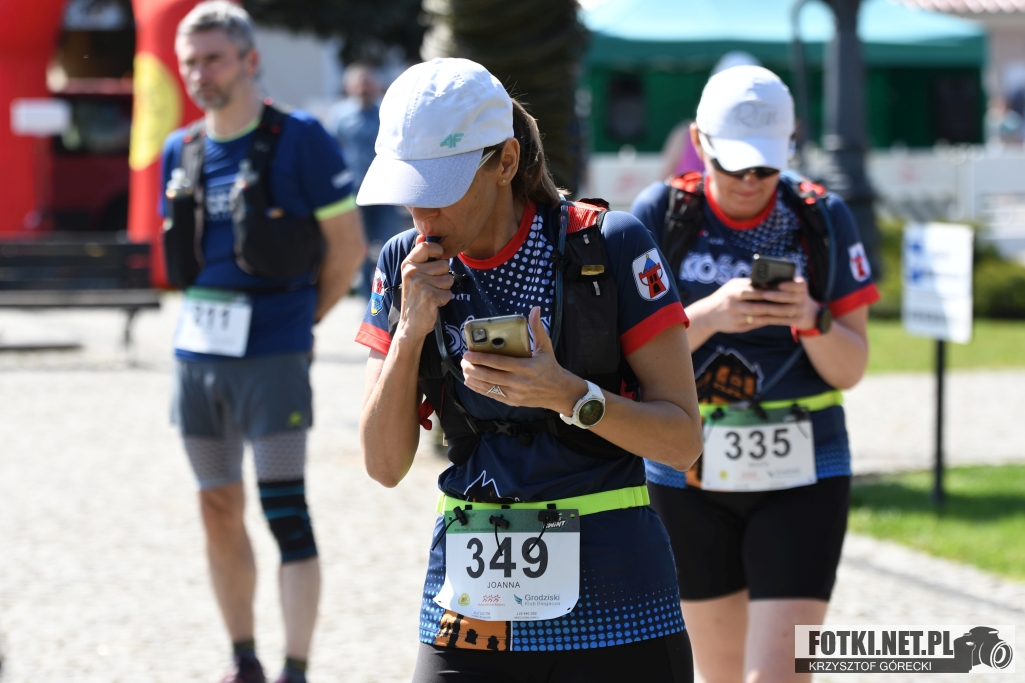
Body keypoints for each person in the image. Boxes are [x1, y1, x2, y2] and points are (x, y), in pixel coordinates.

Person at [355, 57, 703, 682]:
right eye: (410, 189)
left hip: (619, 604)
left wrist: (569, 395)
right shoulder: (403, 263)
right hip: (473, 603)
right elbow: (383, 466)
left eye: (439, 189)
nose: (422, 215)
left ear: (507, 162)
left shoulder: (611, 245)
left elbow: (681, 441)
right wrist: (409, 332)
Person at [630, 65, 880, 683]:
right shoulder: (663, 212)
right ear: (699, 142)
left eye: (765, 167)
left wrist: (812, 318)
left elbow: (851, 369)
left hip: (805, 470)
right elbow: (625, 360)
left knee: (779, 676)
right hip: (686, 471)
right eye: (733, 164)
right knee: (718, 675)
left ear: (791, 144)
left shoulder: (820, 215)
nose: (749, 182)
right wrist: (710, 315)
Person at [159, 3, 366, 682]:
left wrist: (302, 323)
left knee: (285, 511)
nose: (200, 73)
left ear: (250, 61)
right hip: (197, 360)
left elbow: (346, 249)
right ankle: (242, 658)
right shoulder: (180, 149)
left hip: (273, 357)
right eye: (190, 62)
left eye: (213, 58)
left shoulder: (300, 138)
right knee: (216, 507)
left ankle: (294, 667)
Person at [329, 62, 404, 298]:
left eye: (368, 83)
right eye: (359, 83)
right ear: (349, 87)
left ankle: (392, 295)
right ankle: (367, 299)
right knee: (359, 246)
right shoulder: (340, 116)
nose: (364, 88)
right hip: (354, 192)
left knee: (390, 244)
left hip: (385, 192)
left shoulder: (388, 112)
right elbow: (331, 150)